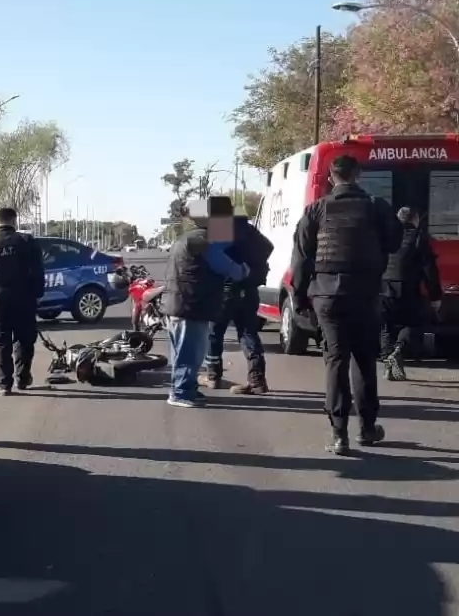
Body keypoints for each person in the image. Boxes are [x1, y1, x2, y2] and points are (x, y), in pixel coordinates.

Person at [291, 154, 401, 455]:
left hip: (327, 297)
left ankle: (339, 434)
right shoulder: (377, 207)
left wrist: (300, 298)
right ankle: (367, 428)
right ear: (358, 175)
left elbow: (301, 258)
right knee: (364, 362)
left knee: (335, 362)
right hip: (365, 294)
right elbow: (394, 242)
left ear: (330, 177)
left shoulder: (315, 210)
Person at [161, 214, 249, 408]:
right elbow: (230, 268)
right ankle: (180, 392)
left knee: (183, 352)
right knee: (190, 353)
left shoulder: (188, 238)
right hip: (190, 306)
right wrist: (244, 269)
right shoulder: (204, 242)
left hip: (178, 304)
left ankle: (186, 387)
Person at [201, 215, 274, 394]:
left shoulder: (221, 228)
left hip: (225, 288)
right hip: (249, 289)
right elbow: (269, 246)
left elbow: (211, 257)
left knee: (214, 332)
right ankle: (257, 381)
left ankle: (213, 376)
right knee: (248, 332)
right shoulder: (249, 230)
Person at [0, 207, 45, 395]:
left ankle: (4, 384)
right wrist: (38, 293)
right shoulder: (26, 241)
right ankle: (23, 378)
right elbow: (37, 270)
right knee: (24, 339)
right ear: (14, 221)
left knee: (0, 340)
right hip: (23, 297)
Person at [380, 206, 443, 381]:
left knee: (386, 328)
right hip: (407, 289)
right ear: (414, 220)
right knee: (414, 323)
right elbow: (429, 270)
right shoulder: (418, 238)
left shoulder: (385, 237)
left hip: (383, 289)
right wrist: (435, 296)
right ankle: (398, 349)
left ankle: (388, 364)